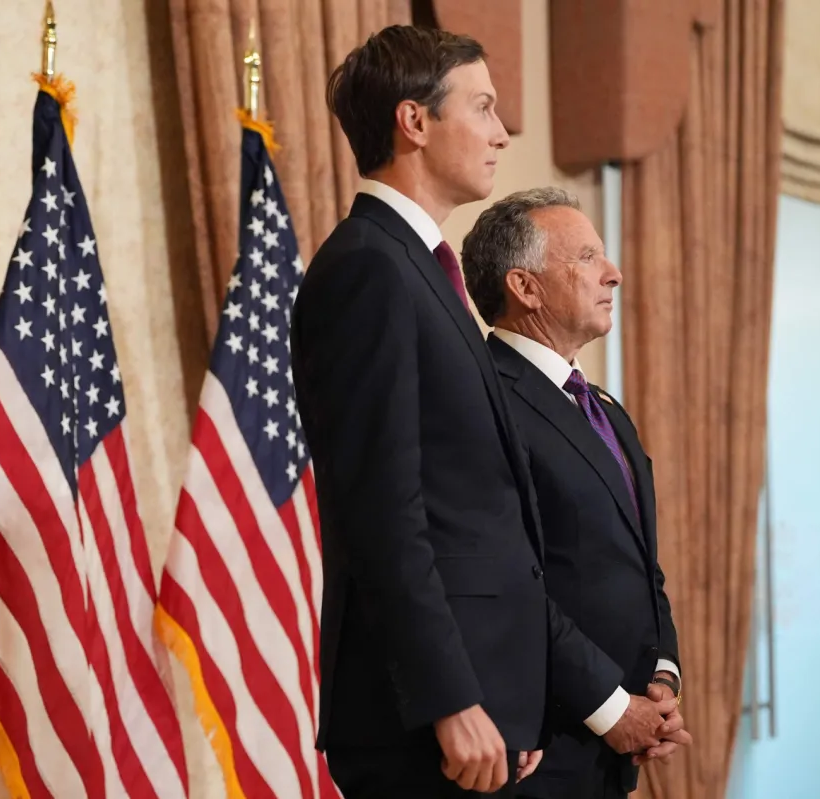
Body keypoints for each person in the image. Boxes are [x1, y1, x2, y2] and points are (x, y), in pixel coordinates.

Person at [291, 25, 675, 798]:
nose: (503, 132)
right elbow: (384, 512)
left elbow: (481, 521)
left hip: (488, 714)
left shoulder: (419, 270)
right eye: (485, 107)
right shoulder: (370, 267)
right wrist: (450, 698)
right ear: (415, 121)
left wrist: (511, 694)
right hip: (424, 721)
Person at [460, 187, 692, 799]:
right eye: (587, 258)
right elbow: (512, 582)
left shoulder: (605, 410)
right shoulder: (488, 403)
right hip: (539, 748)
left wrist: (661, 677)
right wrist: (612, 709)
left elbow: (642, 565)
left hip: (614, 748)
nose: (613, 274)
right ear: (526, 287)